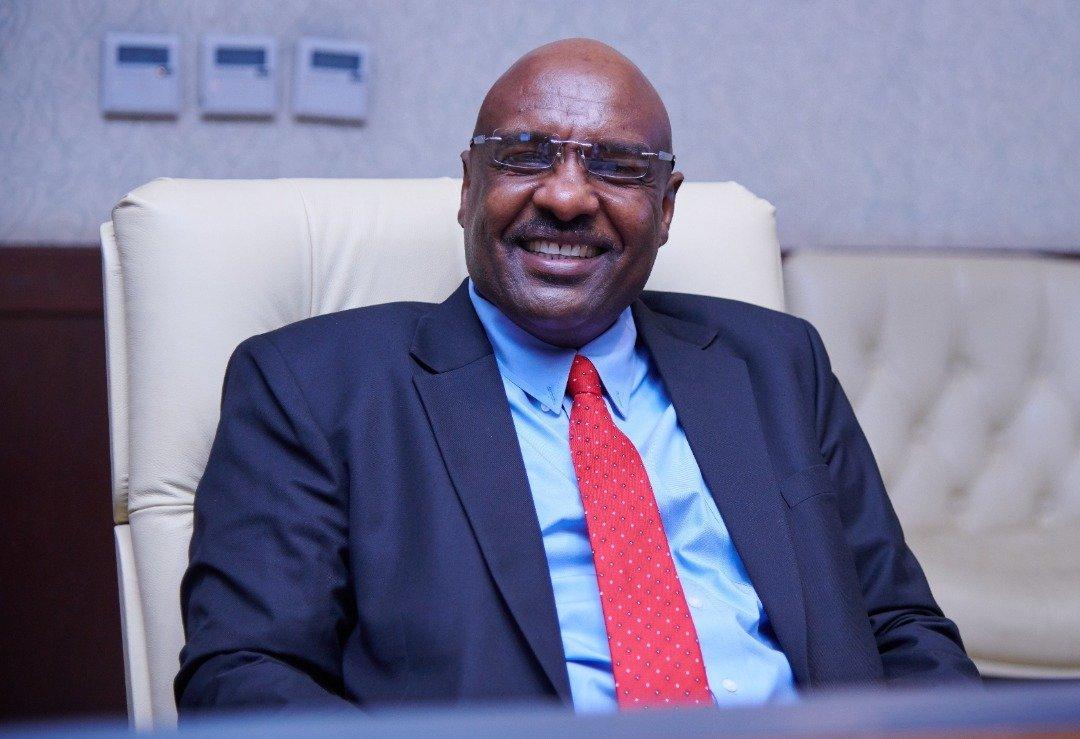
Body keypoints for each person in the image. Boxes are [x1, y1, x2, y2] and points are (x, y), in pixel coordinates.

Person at [176, 38, 979, 714]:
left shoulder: (775, 363)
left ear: (666, 208)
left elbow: (900, 627)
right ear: (469, 187)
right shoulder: (311, 385)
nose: (565, 196)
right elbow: (242, 677)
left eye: (619, 167)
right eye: (524, 156)